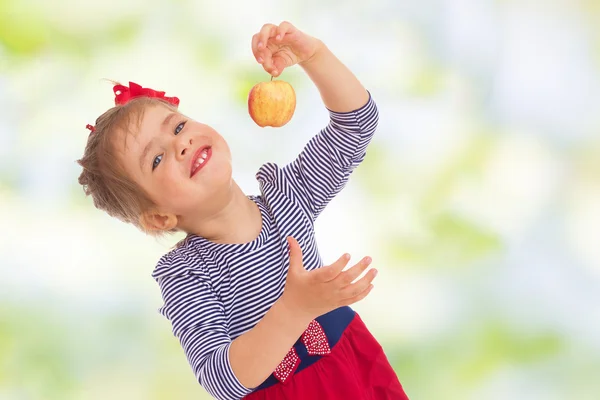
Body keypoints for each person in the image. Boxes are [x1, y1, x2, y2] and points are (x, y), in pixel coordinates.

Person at [77, 21, 408, 400]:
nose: (180, 143)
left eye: (178, 126)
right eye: (155, 159)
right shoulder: (184, 273)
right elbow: (221, 379)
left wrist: (313, 56)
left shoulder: (288, 197)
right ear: (159, 218)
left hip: (356, 370)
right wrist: (295, 308)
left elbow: (355, 124)